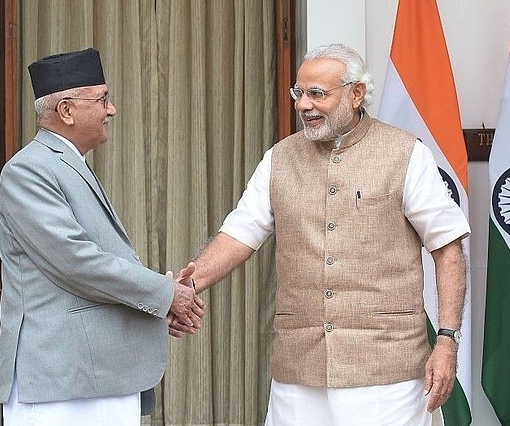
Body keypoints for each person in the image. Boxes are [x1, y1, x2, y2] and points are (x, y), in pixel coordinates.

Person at [171, 43, 469, 425]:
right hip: (300, 372)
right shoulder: (279, 158)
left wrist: (446, 340)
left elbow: (448, 249)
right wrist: (184, 287)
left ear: (356, 93)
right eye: (299, 93)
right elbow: (239, 234)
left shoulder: (406, 153)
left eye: (317, 94)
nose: (302, 105)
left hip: (386, 372)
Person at [0, 47, 203, 425]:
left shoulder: (69, 163)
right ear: (67, 111)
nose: (112, 109)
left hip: (92, 379)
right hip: (61, 382)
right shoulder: (28, 171)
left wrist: (160, 301)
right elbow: (77, 262)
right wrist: (165, 293)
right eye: (102, 98)